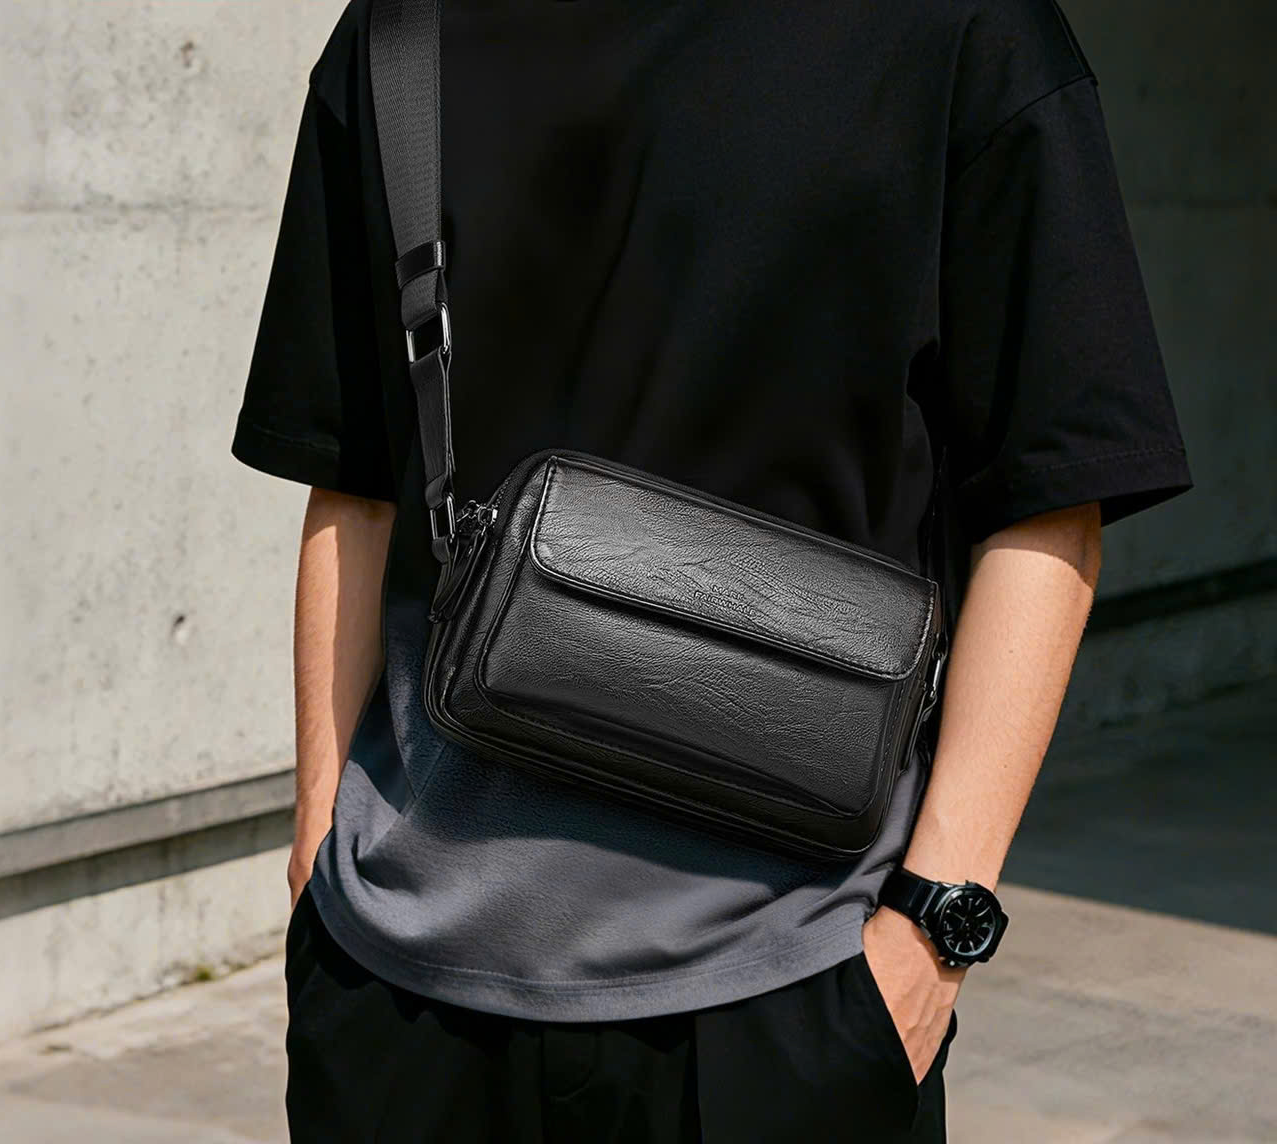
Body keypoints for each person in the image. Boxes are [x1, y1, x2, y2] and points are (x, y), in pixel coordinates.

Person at [231, 0, 1193, 1139]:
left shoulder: (966, 31)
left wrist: (929, 933)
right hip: (397, 997)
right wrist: (318, 861)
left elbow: (1049, 500)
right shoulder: (406, 30)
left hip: (789, 999)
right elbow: (353, 479)